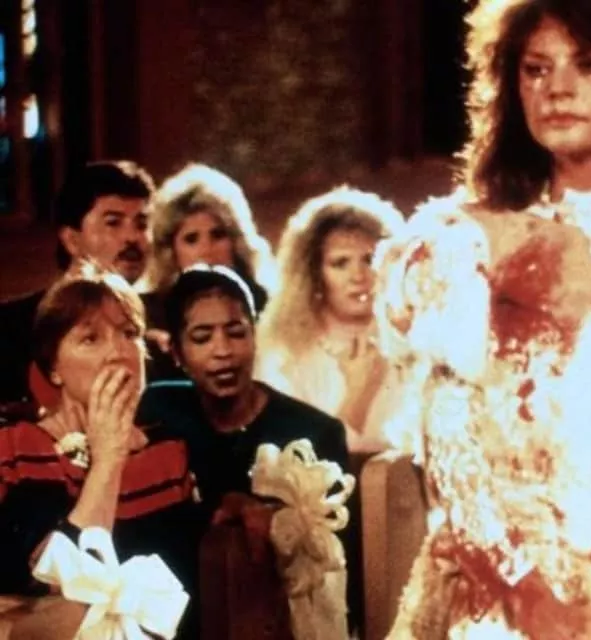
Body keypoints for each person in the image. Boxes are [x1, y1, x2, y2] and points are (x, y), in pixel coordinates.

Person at [379, 0, 591, 637]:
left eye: (588, 65)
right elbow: (448, 437)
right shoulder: (465, 243)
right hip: (503, 592)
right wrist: (527, 596)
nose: (557, 89)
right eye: (536, 69)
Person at [136, 265, 360, 631]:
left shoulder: (314, 433)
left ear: (255, 336)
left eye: (236, 332)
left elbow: (340, 571)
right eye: (202, 338)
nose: (223, 351)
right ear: (176, 352)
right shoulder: (158, 412)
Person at [0, 266, 201, 639]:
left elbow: (174, 601)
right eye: (91, 338)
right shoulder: (16, 449)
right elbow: (55, 583)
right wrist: (108, 459)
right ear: (54, 368)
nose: (118, 353)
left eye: (129, 334)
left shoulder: (168, 454)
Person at [255, 186, 408, 453]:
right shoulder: (284, 353)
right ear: (313, 274)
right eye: (340, 263)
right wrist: (359, 392)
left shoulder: (413, 342)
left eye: (369, 259)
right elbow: (301, 465)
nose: (358, 276)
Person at [0, 161, 155, 415]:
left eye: (141, 224)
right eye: (113, 222)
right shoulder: (9, 329)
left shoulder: (159, 328)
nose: (132, 237)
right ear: (72, 239)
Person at [139, 163, 277, 381]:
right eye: (191, 239)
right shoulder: (145, 315)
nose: (207, 250)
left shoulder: (269, 307)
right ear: (170, 251)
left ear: (237, 242)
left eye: (218, 235)